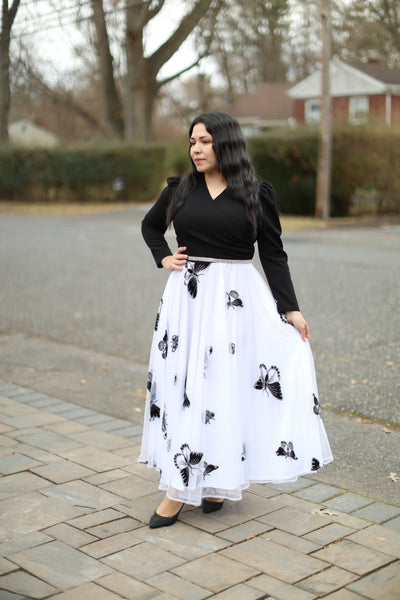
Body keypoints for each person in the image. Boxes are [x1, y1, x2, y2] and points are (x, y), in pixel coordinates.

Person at [139, 111, 333, 529]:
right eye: (192, 141)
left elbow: (273, 254)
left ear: (225, 143)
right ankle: (181, 485)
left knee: (222, 388)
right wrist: (163, 257)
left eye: (205, 141)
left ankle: (209, 484)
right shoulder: (179, 189)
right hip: (187, 302)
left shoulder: (257, 193)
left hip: (235, 304)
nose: (196, 149)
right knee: (190, 387)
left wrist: (290, 308)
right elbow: (151, 227)